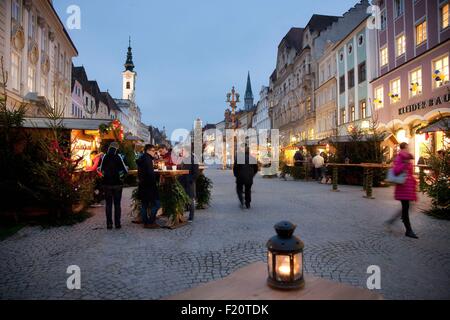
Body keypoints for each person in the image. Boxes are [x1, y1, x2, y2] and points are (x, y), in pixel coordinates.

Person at [385, 142, 419, 239]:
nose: (408, 150)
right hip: (403, 187)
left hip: (408, 187)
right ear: (403, 148)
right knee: (405, 208)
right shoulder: (399, 158)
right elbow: (396, 171)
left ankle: (392, 221)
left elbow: (410, 173)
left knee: (406, 208)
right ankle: (408, 230)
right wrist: (405, 163)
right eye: (406, 148)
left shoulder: (407, 158)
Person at [99, 142, 128, 230]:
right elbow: (124, 170)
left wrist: (105, 176)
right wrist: (123, 174)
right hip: (117, 184)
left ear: (109, 147)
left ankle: (109, 224)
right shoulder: (118, 156)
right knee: (117, 204)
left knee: (108, 204)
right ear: (117, 148)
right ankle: (117, 224)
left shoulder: (104, 156)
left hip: (107, 184)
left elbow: (100, 169)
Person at [136, 144, 161, 229]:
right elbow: (150, 174)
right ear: (149, 150)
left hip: (142, 185)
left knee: (144, 205)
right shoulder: (148, 159)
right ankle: (151, 221)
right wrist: (157, 178)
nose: (154, 153)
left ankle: (146, 222)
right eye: (153, 151)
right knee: (157, 204)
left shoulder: (142, 158)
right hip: (149, 186)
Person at [179, 147, 200, 222]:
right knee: (181, 199)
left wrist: (191, 180)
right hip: (182, 181)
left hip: (189, 182)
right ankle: (180, 216)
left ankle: (191, 216)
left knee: (191, 199)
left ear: (187, 151)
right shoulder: (182, 159)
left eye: (182, 150)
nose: (181, 152)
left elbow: (196, 173)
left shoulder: (193, 159)